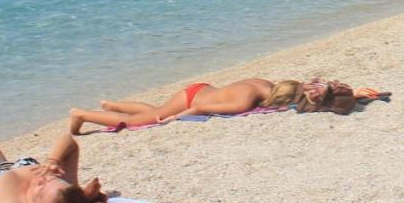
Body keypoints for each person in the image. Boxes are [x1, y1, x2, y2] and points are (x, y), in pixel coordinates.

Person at [69, 77, 300, 133]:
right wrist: (175, 119)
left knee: (155, 110)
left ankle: (112, 105)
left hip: (201, 89)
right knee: (135, 122)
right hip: (193, 100)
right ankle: (81, 115)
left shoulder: (264, 83)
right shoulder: (244, 102)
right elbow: (201, 109)